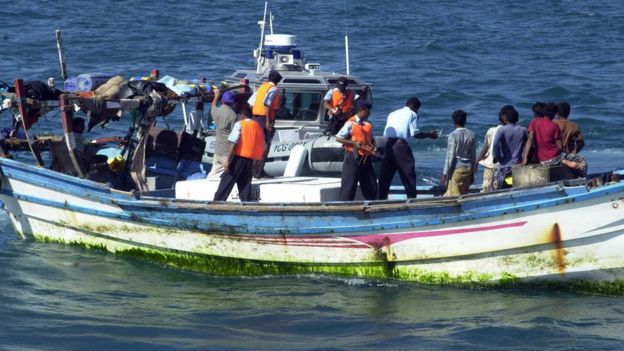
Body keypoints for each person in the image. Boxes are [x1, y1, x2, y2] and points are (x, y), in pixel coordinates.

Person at [377, 96, 438, 199]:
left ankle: (381, 199)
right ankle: (411, 200)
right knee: (408, 173)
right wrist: (429, 134)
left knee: (386, 175)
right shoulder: (412, 114)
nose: (417, 112)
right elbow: (415, 134)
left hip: (388, 145)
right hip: (400, 146)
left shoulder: (393, 113)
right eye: (417, 109)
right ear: (413, 106)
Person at [213, 107, 265, 202]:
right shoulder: (257, 126)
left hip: (238, 157)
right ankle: (246, 203)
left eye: (239, 116)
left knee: (227, 180)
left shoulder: (240, 124)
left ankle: (217, 201)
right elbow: (262, 144)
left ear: (242, 116)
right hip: (250, 160)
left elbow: (233, 142)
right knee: (245, 183)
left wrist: (228, 160)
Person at [335, 101, 378, 201]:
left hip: (366, 159)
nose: (369, 113)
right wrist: (353, 144)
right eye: (367, 111)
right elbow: (338, 138)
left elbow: (371, 139)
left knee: (371, 185)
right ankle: (344, 209)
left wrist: (374, 146)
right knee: (349, 186)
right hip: (352, 157)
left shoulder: (368, 124)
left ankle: (373, 205)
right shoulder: (350, 123)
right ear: (361, 111)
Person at [248, 70, 283, 178]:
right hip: (264, 120)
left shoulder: (262, 87)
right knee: (265, 145)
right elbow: (267, 104)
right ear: (277, 81)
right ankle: (258, 171)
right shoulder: (274, 89)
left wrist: (256, 115)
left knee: (256, 144)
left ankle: (252, 170)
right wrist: (268, 120)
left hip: (256, 118)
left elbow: (250, 104)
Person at [440, 110, 476, 197]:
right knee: (463, 194)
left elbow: (450, 157)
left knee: (452, 196)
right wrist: (472, 173)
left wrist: (445, 174)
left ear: (454, 121)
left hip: (457, 170)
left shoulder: (452, 135)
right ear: (465, 120)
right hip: (468, 169)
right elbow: (473, 155)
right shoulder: (471, 134)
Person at [491, 106, 527, 189]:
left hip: (504, 166)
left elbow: (495, 144)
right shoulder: (523, 130)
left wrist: (498, 157)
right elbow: (529, 143)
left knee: (502, 187)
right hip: (517, 166)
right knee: (513, 186)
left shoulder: (502, 130)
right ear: (517, 119)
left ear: (506, 118)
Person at [207, 89, 239, 180]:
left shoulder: (216, 112)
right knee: (230, 175)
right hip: (227, 151)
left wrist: (216, 95)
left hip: (218, 150)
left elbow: (213, 105)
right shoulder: (233, 116)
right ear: (232, 103)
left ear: (222, 101)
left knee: (214, 173)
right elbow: (235, 135)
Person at [476, 106, 509, 192]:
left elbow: (485, 148)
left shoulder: (491, 130)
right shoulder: (510, 131)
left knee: (487, 189)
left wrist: (476, 162)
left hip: (490, 165)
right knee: (501, 188)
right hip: (505, 167)